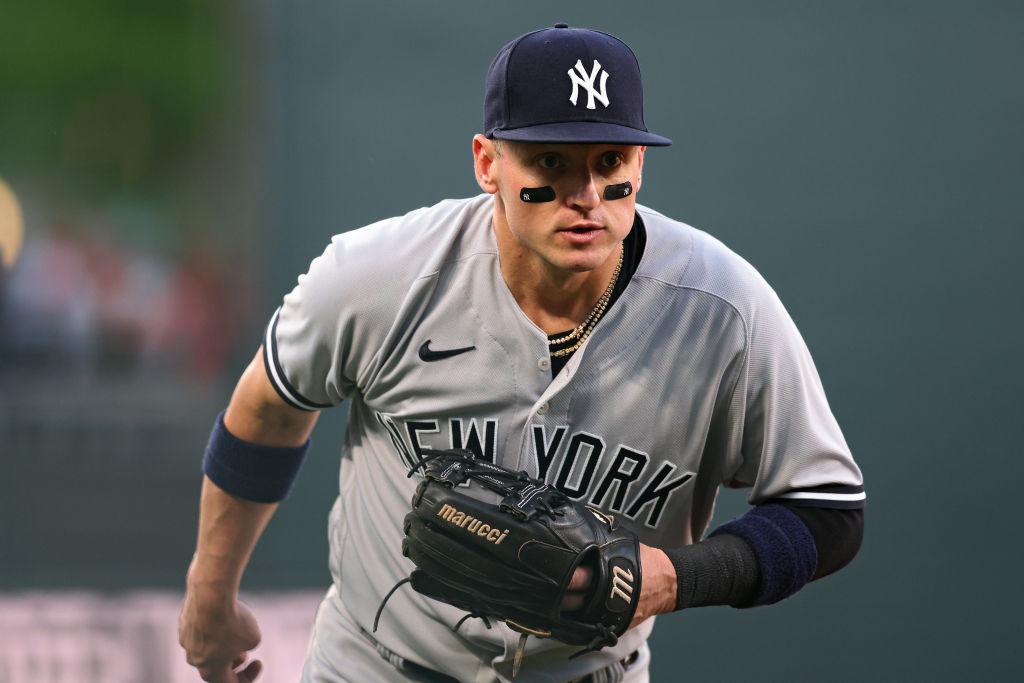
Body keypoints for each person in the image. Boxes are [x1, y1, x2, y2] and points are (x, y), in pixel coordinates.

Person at [179, 24, 865, 683]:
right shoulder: (379, 276)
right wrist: (211, 592)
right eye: (551, 163)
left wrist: (674, 580)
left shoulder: (725, 310)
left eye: (610, 164)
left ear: (640, 165)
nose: (586, 196)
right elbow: (270, 409)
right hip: (375, 664)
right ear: (488, 163)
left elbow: (829, 510)